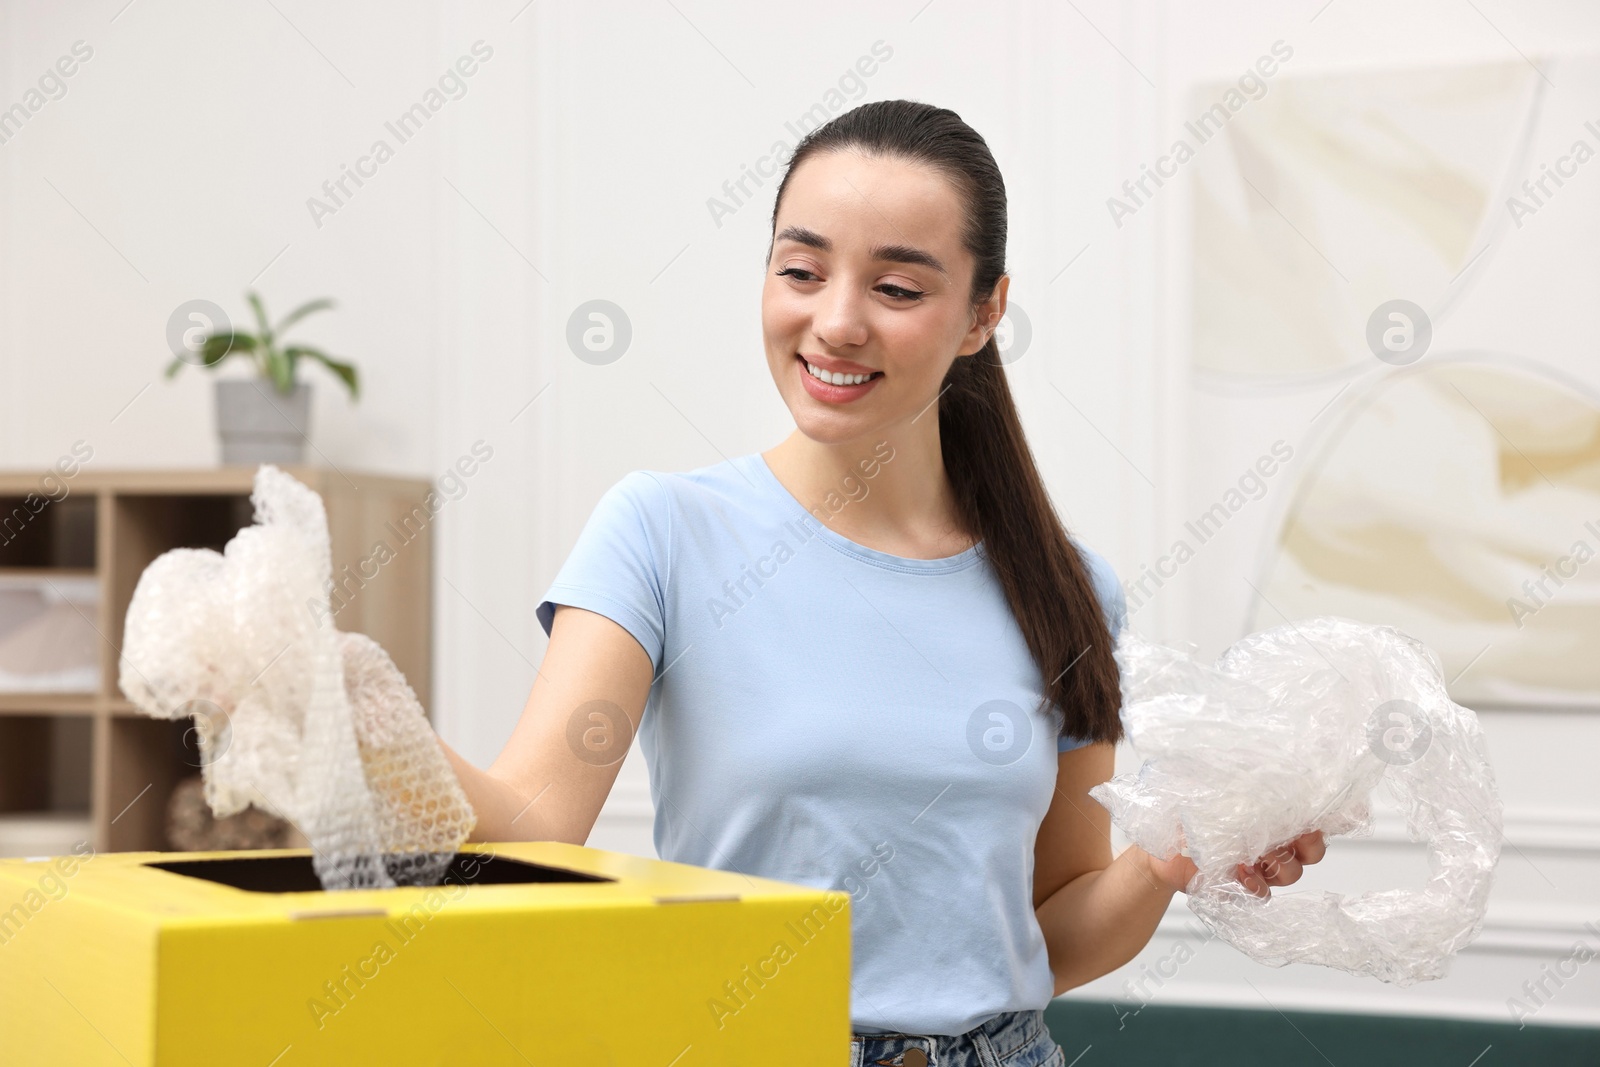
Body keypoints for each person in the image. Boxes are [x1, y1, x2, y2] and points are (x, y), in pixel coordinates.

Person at [435, 98, 1326, 1065]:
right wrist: (344, 696)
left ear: (985, 312)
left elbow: (1052, 928)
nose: (837, 321)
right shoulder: (660, 530)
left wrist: (1170, 855)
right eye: (802, 271)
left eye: (897, 287)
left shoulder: (1067, 588)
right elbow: (527, 827)